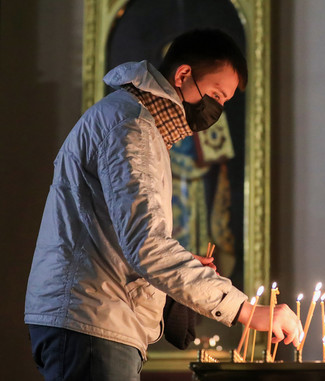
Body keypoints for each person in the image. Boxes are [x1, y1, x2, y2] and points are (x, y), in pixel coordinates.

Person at [25, 29, 302, 380]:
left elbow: (120, 236)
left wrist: (180, 266)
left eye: (224, 102)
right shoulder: (132, 126)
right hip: (93, 322)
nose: (215, 110)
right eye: (215, 95)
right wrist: (247, 310)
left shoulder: (138, 124)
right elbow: (147, 245)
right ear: (183, 75)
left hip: (94, 316)